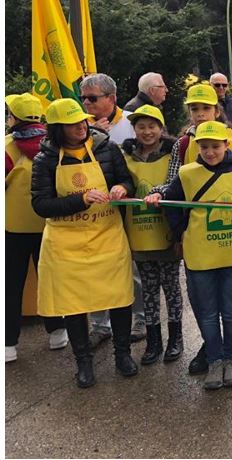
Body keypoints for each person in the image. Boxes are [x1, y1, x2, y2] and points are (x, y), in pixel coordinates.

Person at [148, 83, 232, 375]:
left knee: (229, 302)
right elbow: (174, 185)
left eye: (205, 108)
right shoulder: (183, 144)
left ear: (216, 110)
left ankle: (231, 350)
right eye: (194, 109)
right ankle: (211, 350)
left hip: (229, 232)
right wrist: (159, 196)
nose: (199, 114)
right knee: (203, 300)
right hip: (197, 237)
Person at [31, 98, 138, 388]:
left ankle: (123, 354)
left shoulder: (106, 148)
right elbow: (41, 204)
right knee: (74, 303)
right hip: (66, 242)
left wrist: (121, 188)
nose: (81, 127)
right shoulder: (45, 159)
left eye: (82, 121)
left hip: (107, 236)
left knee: (118, 297)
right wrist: (80, 199)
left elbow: (128, 181)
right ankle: (84, 362)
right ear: (57, 129)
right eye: (72, 124)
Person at [79, 73, 146, 345]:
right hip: (92, 212)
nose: (86, 103)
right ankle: (99, 323)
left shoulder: (131, 123)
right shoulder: (79, 126)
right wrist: (94, 135)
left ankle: (139, 318)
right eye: (83, 98)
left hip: (127, 207)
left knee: (133, 268)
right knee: (94, 268)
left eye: (92, 98)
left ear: (111, 98)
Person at [6, 93, 67, 362]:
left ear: (14, 118)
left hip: (14, 229)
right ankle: (57, 332)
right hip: (49, 224)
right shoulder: (53, 144)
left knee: (11, 285)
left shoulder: (7, 146)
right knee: (50, 280)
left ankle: (8, 344)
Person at [120, 105, 183, 366]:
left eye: (152, 126)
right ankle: (153, 340)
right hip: (140, 235)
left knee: (171, 288)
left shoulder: (173, 156)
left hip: (166, 233)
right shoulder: (125, 157)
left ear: (161, 128)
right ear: (134, 129)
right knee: (148, 290)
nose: (147, 132)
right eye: (141, 126)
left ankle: (175, 338)